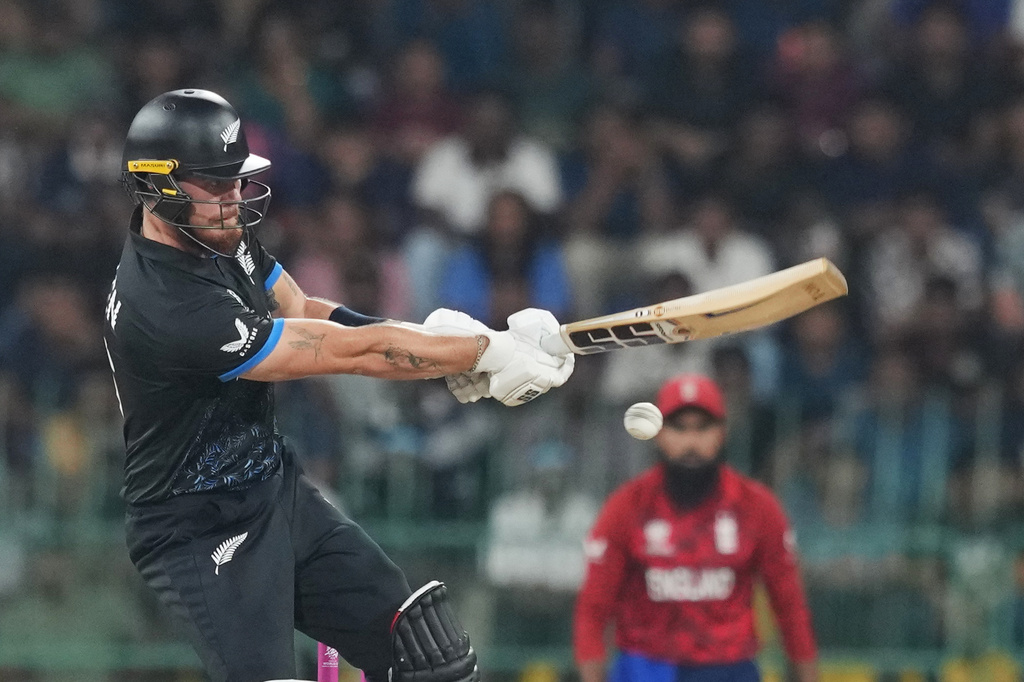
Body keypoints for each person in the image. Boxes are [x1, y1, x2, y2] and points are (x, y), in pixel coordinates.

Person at [102, 89, 574, 682]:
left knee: (431, 660)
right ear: (157, 186)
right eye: (215, 183)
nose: (233, 199)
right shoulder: (169, 307)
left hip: (273, 489)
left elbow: (303, 309)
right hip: (199, 528)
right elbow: (338, 353)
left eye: (235, 180)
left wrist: (435, 344)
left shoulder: (213, 233)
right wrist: (483, 350)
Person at [573, 374, 818, 682]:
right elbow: (594, 608)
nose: (691, 442)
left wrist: (805, 671)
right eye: (679, 428)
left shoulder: (756, 507)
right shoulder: (627, 507)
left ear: (722, 433)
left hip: (729, 668)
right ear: (659, 433)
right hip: (646, 667)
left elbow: (789, 603)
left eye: (702, 428)